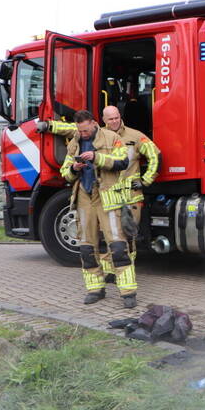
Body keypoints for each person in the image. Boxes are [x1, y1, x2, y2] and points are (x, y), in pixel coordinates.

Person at [57, 110, 134, 306]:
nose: (83, 133)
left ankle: (128, 293)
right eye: (79, 130)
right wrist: (74, 169)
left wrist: (96, 157)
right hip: (84, 195)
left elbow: (122, 161)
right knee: (86, 247)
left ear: (93, 124)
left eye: (85, 130)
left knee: (117, 245)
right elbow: (65, 172)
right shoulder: (74, 142)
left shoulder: (112, 137)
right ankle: (95, 289)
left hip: (107, 196)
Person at [100, 105, 160, 276]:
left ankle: (126, 271)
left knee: (129, 236)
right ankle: (110, 273)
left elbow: (155, 155)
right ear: (104, 120)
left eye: (116, 117)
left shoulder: (135, 136)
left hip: (131, 197)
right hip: (108, 196)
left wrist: (146, 180)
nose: (114, 121)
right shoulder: (99, 138)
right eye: (110, 119)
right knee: (110, 236)